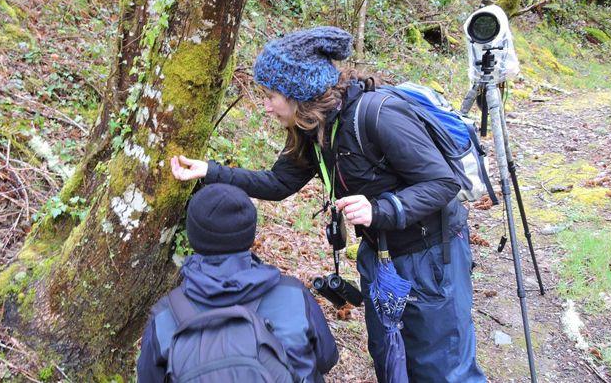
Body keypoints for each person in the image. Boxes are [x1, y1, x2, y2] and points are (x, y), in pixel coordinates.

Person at [170, 26, 487, 382]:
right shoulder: (315, 128)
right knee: (391, 360)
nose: (266, 106)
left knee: (442, 367)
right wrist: (209, 171)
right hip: (379, 256)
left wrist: (380, 210)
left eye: (270, 95)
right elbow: (278, 183)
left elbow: (444, 182)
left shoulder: (379, 115)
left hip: (431, 257)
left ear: (298, 94)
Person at [137, 183, 338, 382]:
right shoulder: (293, 295)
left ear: (193, 236)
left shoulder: (165, 315)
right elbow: (327, 358)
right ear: (250, 234)